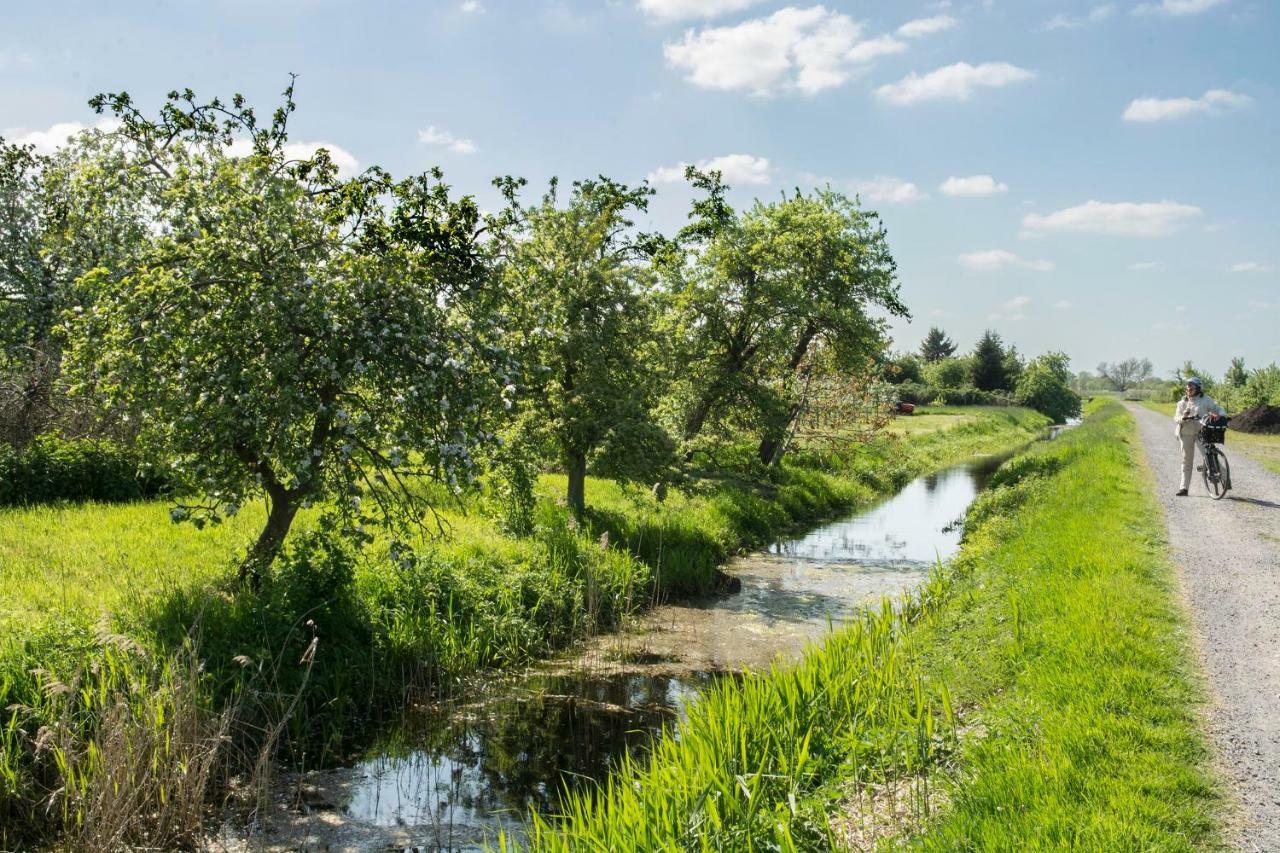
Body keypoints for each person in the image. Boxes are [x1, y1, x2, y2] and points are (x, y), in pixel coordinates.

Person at [1173, 377, 1225, 496]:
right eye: (1188, 387)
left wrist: (1221, 415)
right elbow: (1176, 418)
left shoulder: (1205, 400)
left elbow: (1217, 409)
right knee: (1187, 460)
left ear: (1198, 388)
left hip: (1202, 432)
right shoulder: (1182, 403)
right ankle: (1183, 488)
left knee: (1210, 456)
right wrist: (1183, 418)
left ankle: (1226, 478)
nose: (1189, 388)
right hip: (1186, 432)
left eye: (1192, 386)